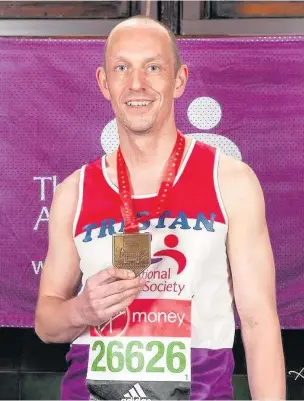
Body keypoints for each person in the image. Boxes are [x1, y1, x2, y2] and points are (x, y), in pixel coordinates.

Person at [35, 15, 286, 401]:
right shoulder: (74, 192)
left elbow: (258, 323)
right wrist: (82, 311)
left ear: (179, 80)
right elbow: (47, 325)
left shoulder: (230, 181)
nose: (137, 84)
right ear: (104, 82)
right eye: (123, 68)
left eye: (153, 67)